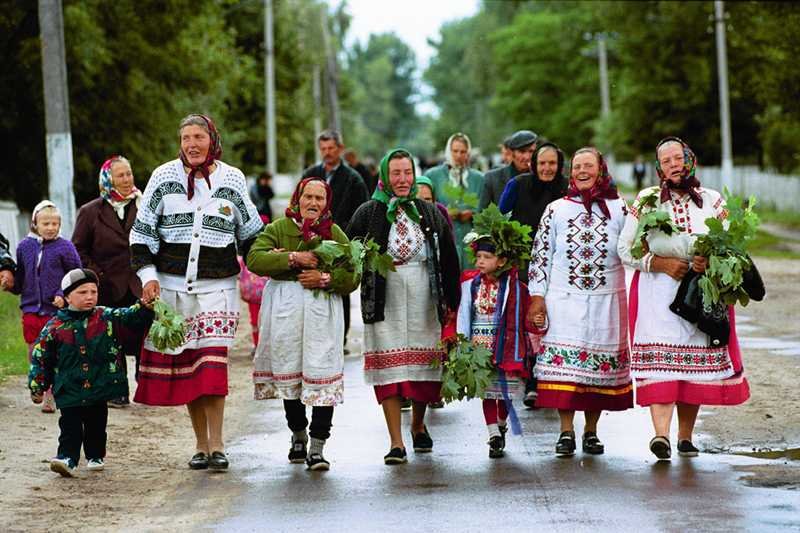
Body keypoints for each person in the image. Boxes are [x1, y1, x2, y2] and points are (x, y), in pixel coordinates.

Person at [130, 114, 263, 471]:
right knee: (190, 365)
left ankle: (218, 443)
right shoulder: (163, 176)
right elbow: (141, 236)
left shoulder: (232, 179)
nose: (192, 144)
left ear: (212, 139)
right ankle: (200, 444)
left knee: (212, 365)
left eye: (199, 136)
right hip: (172, 290)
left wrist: (276, 262)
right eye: (186, 137)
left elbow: (251, 234)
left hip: (217, 288)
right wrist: (148, 278)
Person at [618, 137, 750, 460]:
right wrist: (661, 263)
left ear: (690, 160)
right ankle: (660, 436)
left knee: (693, 366)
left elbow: (730, 242)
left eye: (678, 158)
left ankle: (685, 437)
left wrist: (710, 259)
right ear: (659, 167)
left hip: (699, 293)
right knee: (662, 365)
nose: (674, 165)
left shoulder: (711, 200)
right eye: (666, 161)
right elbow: (625, 248)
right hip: (658, 293)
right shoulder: (648, 200)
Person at [347, 148, 460, 465]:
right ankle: (396, 441)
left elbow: (449, 258)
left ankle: (418, 423)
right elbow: (348, 251)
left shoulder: (429, 212)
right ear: (385, 176)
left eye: (407, 173)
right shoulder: (369, 213)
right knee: (391, 372)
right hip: (386, 300)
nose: (402, 179)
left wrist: (452, 301)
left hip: (425, 297)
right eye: (395, 173)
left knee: (423, 370)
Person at [247, 178, 359, 471]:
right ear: (298, 199)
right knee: (290, 372)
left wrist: (325, 278)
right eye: (308, 197)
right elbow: (255, 259)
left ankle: (318, 447)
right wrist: (294, 258)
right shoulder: (277, 229)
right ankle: (298, 436)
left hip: (322, 312)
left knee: (322, 371)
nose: (313, 203)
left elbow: (353, 274)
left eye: (319, 198)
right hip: (286, 312)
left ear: (326, 202)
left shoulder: (334, 232)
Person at [528, 147, 632, 457]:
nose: (582, 171)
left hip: (606, 302)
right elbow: (540, 256)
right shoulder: (556, 209)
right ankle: (565, 432)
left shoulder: (621, 209)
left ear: (601, 170)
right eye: (577, 167)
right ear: (570, 172)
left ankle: (591, 431)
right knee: (568, 372)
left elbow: (634, 250)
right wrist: (537, 297)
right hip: (563, 301)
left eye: (589, 166)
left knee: (596, 372)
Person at [28, 268, 154, 477]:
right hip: (69, 388)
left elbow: (130, 317)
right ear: (67, 296)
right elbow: (41, 359)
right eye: (82, 292)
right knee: (70, 426)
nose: (89, 297)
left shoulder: (105, 316)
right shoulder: (54, 327)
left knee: (97, 424)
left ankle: (95, 455)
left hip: (99, 385)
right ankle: (67, 458)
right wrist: (38, 386)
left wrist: (144, 307)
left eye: (93, 292)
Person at [456, 214, 534, 459]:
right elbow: (462, 314)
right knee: (487, 392)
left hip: (506, 348)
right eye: (478, 256)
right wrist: (462, 343)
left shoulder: (516, 289)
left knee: (506, 393)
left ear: (501, 261)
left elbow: (526, 316)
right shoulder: (471, 285)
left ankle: (501, 423)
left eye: (486, 257)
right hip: (480, 348)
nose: (480, 261)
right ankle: (493, 434)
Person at [498, 141, 569, 408]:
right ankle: (531, 380)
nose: (547, 168)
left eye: (552, 163)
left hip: (560, 267)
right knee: (530, 322)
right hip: (525, 263)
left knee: (556, 322)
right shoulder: (518, 185)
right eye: (542, 163)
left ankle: (554, 377)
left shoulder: (567, 188)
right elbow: (501, 215)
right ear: (533, 164)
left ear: (559, 165)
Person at [72, 156, 145, 408]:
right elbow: (78, 250)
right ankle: (117, 390)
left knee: (142, 337)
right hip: (106, 286)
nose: (127, 180)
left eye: (129, 174)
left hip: (139, 283)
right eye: (120, 175)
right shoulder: (90, 212)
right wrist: (97, 276)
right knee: (110, 339)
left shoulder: (145, 205)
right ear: (108, 179)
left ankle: (144, 386)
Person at [8, 200, 81, 413]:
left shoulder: (65, 247)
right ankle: (37, 384)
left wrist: (62, 295)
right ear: (35, 224)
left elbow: (76, 276)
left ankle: (51, 393)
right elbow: (21, 277)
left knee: (54, 353)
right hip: (31, 308)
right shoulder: (24, 247)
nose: (51, 228)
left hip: (56, 311)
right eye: (46, 223)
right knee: (33, 350)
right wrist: (11, 284)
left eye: (55, 224)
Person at [303, 130, 369, 353]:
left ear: (340, 149)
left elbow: (361, 213)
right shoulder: (311, 174)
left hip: (341, 244)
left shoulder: (353, 179)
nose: (327, 153)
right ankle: (315, 338)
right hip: (311, 244)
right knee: (312, 289)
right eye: (323, 149)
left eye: (331, 148)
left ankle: (339, 340)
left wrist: (349, 243)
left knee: (339, 288)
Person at [423, 133, 484, 270]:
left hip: (471, 240)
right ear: (448, 151)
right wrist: (444, 213)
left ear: (468, 153)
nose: (458, 155)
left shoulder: (479, 179)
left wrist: (472, 214)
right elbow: (424, 206)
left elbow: (485, 208)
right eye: (455, 151)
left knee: (470, 282)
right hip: (444, 238)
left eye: (463, 151)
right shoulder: (432, 175)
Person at [479, 130, 538, 211]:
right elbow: (482, 214)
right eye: (522, 151)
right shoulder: (492, 178)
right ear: (511, 153)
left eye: (531, 151)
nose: (527, 157)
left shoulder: (540, 178)